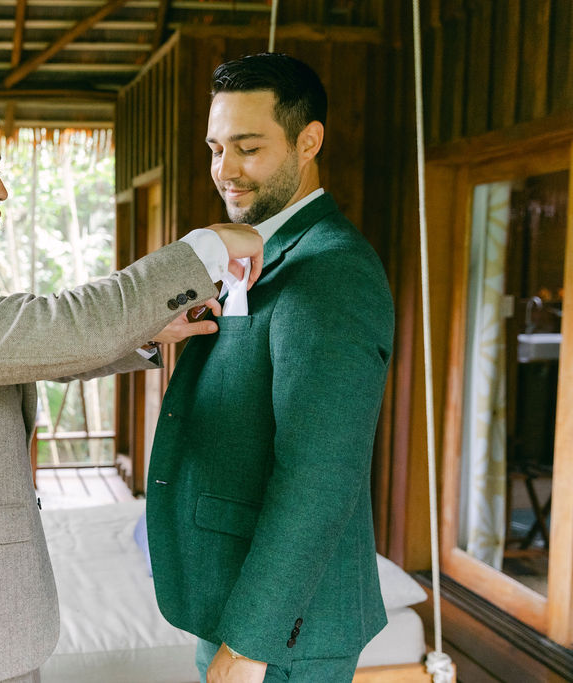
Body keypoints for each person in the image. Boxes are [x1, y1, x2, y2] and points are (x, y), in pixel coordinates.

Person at [0, 80, 264, 683]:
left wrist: (149, 334)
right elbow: (51, 327)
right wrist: (204, 251)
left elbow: (25, 354)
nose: (0, 191)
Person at [145, 53, 395, 683]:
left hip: (284, 631)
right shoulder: (264, 249)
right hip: (236, 591)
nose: (224, 171)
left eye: (248, 148)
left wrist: (251, 641)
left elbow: (321, 474)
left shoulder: (332, 270)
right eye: (214, 147)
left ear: (309, 141)